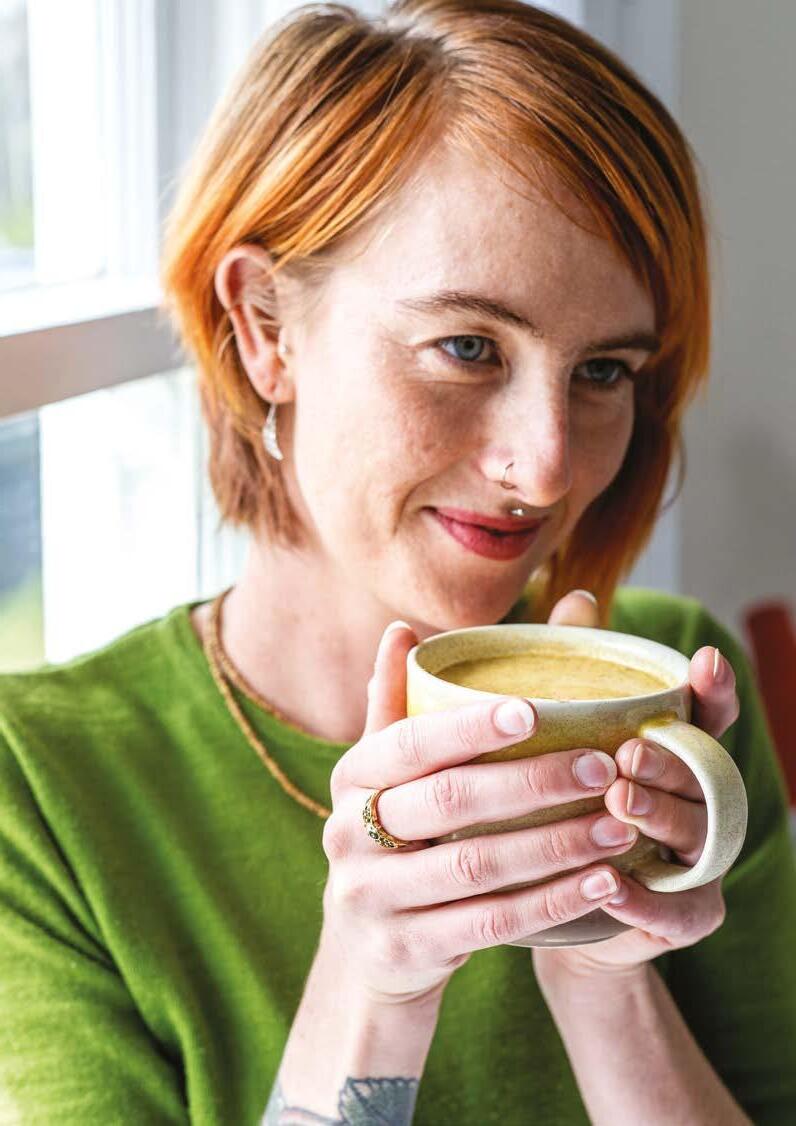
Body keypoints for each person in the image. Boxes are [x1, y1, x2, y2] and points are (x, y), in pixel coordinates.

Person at [0, 0, 794, 1122]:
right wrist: (373, 988)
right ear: (265, 328)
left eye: (604, 371)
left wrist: (600, 968)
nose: (545, 467)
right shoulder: (39, 792)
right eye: (467, 347)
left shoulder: (672, 696)